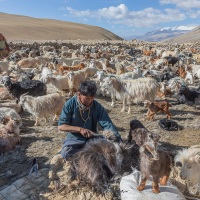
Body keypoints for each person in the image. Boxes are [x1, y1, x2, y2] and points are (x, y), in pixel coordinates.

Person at [58, 80, 122, 160]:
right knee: (66, 153)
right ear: (79, 94)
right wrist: (80, 130)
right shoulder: (70, 104)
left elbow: (107, 124)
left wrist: (116, 138)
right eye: (86, 98)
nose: (89, 101)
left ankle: (88, 154)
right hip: (74, 139)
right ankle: (89, 154)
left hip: (91, 138)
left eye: (92, 98)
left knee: (110, 148)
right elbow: (61, 126)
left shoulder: (97, 106)